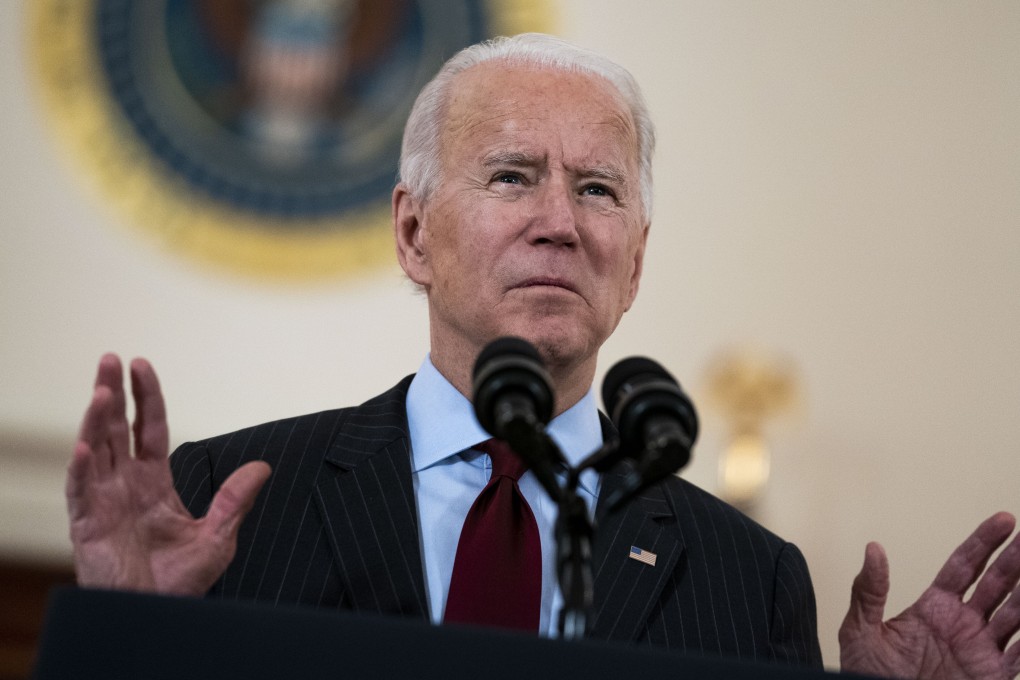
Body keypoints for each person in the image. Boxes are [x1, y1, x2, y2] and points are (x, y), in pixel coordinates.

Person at [66, 34, 1020, 676]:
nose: (559, 223)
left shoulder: (750, 579)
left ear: (635, 263)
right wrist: (120, 637)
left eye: (599, 190)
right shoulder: (229, 501)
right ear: (412, 234)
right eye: (512, 176)